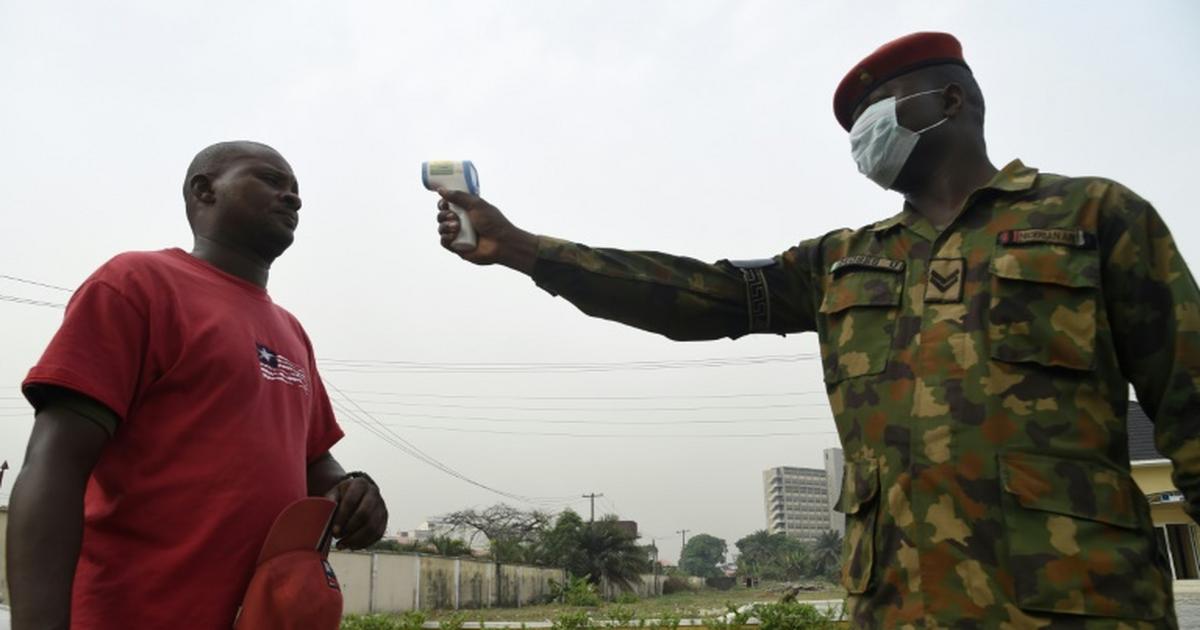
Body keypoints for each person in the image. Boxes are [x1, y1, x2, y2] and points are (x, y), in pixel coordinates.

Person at [434, 32, 1200, 628]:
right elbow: (697, 293)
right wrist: (525, 248)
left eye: (877, 111)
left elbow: (1192, 399)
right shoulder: (841, 261)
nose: (862, 135)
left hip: (1082, 607)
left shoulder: (1093, 217)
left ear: (949, 101)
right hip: (893, 610)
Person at [6, 141, 388, 629]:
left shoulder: (291, 331)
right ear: (204, 190)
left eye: (296, 191)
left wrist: (355, 492)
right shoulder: (137, 283)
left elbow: (314, 463)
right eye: (271, 180)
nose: (292, 198)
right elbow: (54, 465)